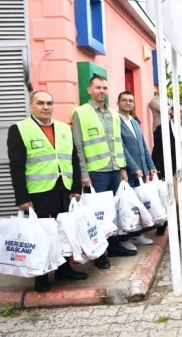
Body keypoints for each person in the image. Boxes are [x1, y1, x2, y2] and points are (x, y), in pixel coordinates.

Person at [8, 90, 86, 292]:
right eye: (40, 103)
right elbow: (16, 167)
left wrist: (76, 187)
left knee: (63, 231)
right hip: (38, 191)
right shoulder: (20, 129)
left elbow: (74, 159)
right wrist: (22, 197)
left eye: (49, 103)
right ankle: (41, 275)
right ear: (31, 106)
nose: (45, 107)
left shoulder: (63, 128)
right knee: (41, 233)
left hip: (64, 189)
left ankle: (63, 269)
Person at [72, 75, 134, 269]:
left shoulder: (113, 114)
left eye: (105, 88)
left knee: (113, 211)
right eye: (98, 87)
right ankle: (99, 253)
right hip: (96, 171)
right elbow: (78, 146)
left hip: (115, 169)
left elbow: (119, 143)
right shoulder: (80, 113)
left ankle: (114, 245)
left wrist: (123, 167)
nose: (102, 91)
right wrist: (83, 173)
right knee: (97, 214)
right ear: (89, 90)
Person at [117, 91, 157, 249]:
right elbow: (122, 148)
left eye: (130, 100)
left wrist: (151, 166)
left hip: (141, 170)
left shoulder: (134, 121)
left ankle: (136, 234)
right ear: (118, 102)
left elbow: (143, 146)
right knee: (128, 206)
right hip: (128, 171)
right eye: (124, 100)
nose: (128, 103)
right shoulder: (116, 121)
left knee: (139, 204)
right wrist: (134, 167)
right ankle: (125, 236)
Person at [152, 103, 182, 236]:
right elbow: (157, 150)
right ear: (171, 111)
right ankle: (171, 226)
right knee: (173, 200)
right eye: (179, 111)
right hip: (168, 168)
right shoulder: (161, 129)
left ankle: (177, 226)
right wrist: (155, 168)